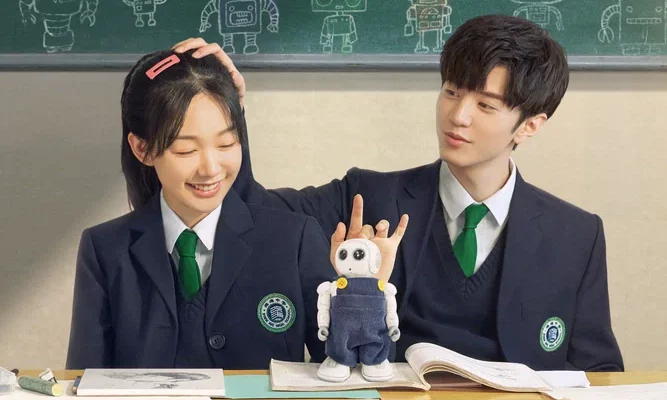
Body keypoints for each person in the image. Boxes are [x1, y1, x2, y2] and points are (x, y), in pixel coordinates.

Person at [173, 14, 624, 371]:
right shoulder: (367, 196)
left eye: (485, 105)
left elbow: (599, 368)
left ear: (530, 125)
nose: (458, 116)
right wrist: (231, 109)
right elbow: (252, 211)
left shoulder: (575, 235)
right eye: (451, 92)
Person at [65, 49, 336, 369]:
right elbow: (84, 381)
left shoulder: (294, 239)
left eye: (226, 144)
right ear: (142, 148)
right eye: (185, 150)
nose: (210, 169)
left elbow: (346, 369)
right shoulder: (105, 250)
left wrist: (364, 295)